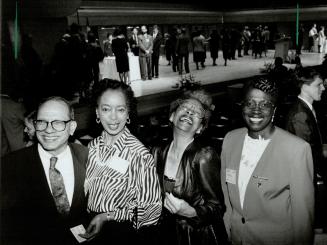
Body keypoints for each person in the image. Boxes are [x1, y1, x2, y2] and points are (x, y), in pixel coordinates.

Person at [221, 76, 314, 245]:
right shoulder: (230, 140)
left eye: (265, 104)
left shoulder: (296, 150)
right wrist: (228, 230)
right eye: (249, 103)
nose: (256, 110)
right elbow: (226, 195)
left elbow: (303, 218)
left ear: (274, 109)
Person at [80, 79, 162, 244]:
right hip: (91, 225)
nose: (113, 117)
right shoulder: (92, 147)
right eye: (106, 109)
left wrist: (108, 216)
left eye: (120, 109)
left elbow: (152, 209)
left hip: (122, 233)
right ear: (97, 112)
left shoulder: (139, 154)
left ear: (128, 113)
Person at [1, 96, 89, 245]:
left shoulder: (88, 157)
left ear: (72, 127)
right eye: (42, 122)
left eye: (58, 123)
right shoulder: (10, 166)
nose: (48, 130)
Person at [152, 89, 228, 245]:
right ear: (172, 116)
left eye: (196, 113)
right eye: (185, 108)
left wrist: (191, 211)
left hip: (196, 237)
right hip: (165, 234)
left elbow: (218, 207)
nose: (189, 113)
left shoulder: (204, 156)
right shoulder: (156, 152)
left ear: (200, 128)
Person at [285, 67, 327, 229]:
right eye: (319, 85)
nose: (323, 88)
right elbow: (306, 156)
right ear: (304, 86)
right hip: (306, 180)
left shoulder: (307, 108)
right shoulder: (300, 115)